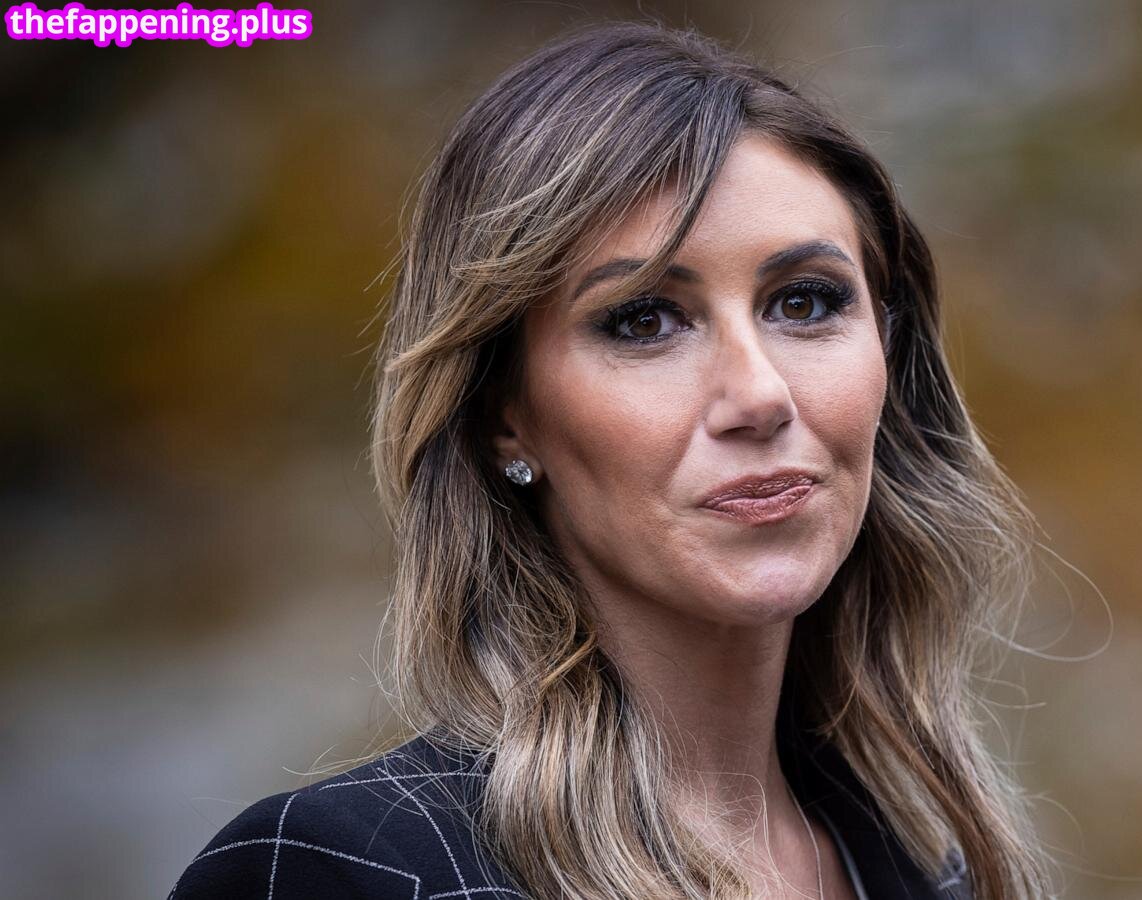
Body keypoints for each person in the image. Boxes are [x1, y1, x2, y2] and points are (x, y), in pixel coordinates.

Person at [169, 18, 1055, 900]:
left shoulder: (934, 875)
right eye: (644, 320)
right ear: (503, 415)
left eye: (804, 302)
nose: (759, 395)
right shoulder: (341, 874)